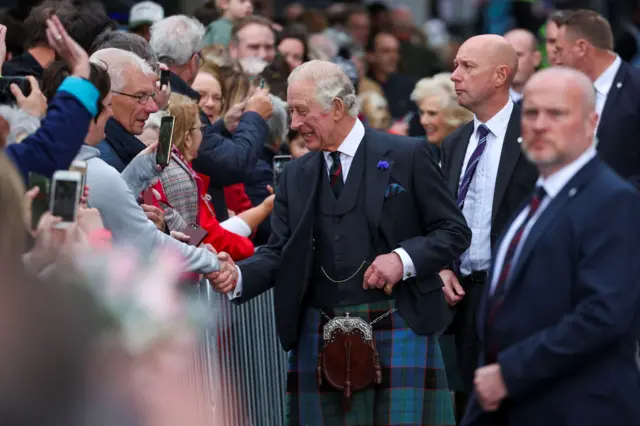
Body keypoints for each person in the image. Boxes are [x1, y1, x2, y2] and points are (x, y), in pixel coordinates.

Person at [211, 60, 471, 425]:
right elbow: (279, 250)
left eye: (302, 111)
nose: (295, 124)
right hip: (319, 334)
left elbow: (453, 230)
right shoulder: (297, 175)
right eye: (291, 111)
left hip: (398, 322)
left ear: (336, 107)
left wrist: (402, 258)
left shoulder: (407, 155)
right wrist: (237, 275)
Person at [461, 66, 640, 426]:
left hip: (577, 408)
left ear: (592, 123)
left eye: (556, 113)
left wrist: (508, 373)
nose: (540, 124)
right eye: (531, 113)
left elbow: (603, 316)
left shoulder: (613, 200)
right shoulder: (537, 200)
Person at [439, 34, 538, 423]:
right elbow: (444, 218)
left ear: (501, 75)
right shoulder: (454, 143)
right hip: (463, 301)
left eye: (467, 66)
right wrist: (442, 264)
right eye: (456, 65)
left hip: (518, 302)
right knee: (468, 410)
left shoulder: (534, 132)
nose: (454, 76)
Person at [149, 15, 273, 220]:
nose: (209, 103)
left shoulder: (160, 90)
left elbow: (203, 150)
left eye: (217, 97)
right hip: (184, 228)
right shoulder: (176, 102)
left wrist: (223, 126)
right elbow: (230, 164)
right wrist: (254, 116)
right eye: (203, 96)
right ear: (194, 60)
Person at [554, 9, 640, 187]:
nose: (556, 60)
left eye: (560, 50)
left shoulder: (636, 89)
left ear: (582, 48)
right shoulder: (564, 92)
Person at [410, 72, 473, 162]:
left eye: (432, 114)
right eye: (421, 112)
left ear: (456, 116)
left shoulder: (472, 155)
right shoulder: (421, 152)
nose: (423, 121)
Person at [503, 29, 541, 104]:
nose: (511, 61)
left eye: (518, 55)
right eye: (506, 55)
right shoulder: (487, 101)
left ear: (536, 58)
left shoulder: (552, 94)